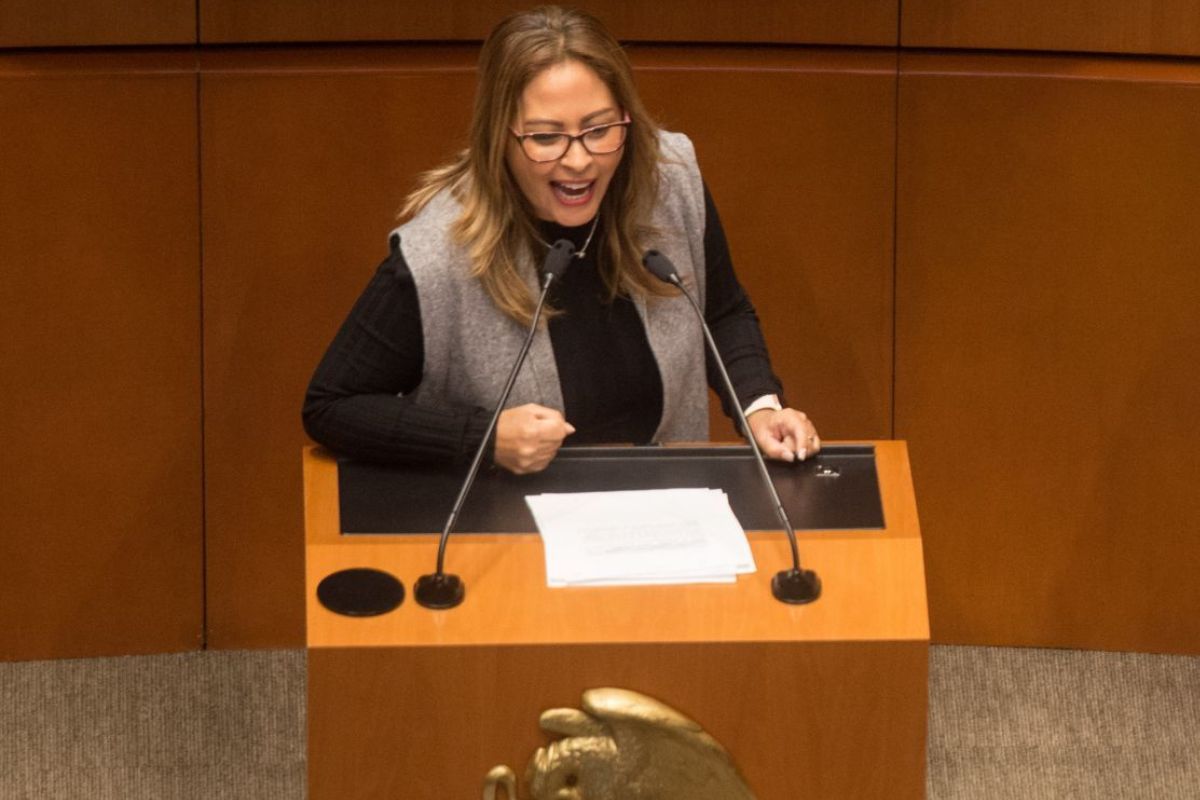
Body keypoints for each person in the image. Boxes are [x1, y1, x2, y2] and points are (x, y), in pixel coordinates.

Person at [302, 5, 820, 474]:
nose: (579, 161)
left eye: (599, 130)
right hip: (508, 538)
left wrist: (760, 406)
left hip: (667, 518)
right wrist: (482, 439)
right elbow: (332, 404)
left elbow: (721, 310)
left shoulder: (669, 180)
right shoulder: (439, 254)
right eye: (546, 137)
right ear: (499, 137)